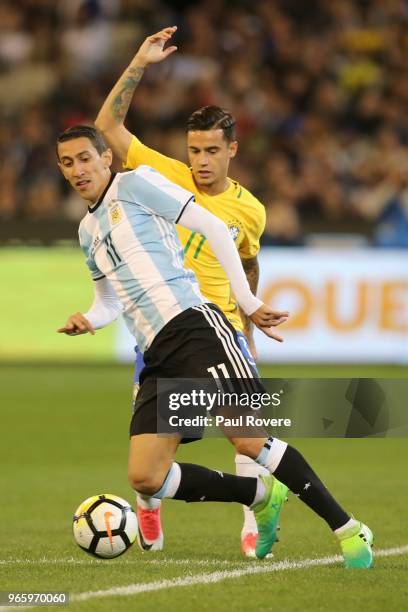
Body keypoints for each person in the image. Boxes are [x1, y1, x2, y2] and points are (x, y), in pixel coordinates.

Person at [57, 124, 373, 568]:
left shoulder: (135, 185)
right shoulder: (87, 230)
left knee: (247, 439)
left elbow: (211, 226)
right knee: (146, 478)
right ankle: (259, 494)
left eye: (85, 158)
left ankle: (348, 528)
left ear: (106, 158)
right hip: (156, 353)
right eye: (68, 163)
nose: (78, 170)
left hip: (196, 328)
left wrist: (247, 303)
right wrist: (88, 319)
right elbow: (108, 299)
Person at [94, 25, 271, 556]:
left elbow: (249, 261)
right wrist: (141, 63)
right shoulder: (162, 174)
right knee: (153, 451)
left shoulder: (251, 210)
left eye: (212, 150)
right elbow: (106, 126)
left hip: (222, 330)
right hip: (166, 332)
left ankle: (254, 522)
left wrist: (246, 324)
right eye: (194, 149)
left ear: (232, 150)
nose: (200, 161)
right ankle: (148, 512)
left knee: (249, 433)